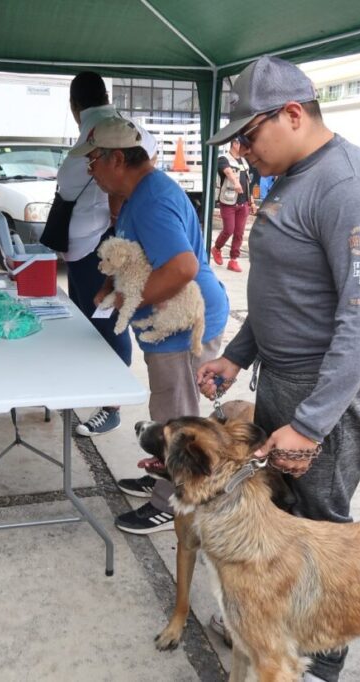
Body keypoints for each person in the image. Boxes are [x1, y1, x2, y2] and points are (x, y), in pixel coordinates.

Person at [197, 56, 360, 682]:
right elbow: (284, 290)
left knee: (322, 532)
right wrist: (237, 354)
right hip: (283, 376)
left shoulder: (350, 186)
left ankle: (319, 663)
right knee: (278, 518)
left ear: (292, 113)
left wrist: (310, 426)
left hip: (328, 389)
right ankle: (271, 633)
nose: (242, 150)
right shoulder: (288, 176)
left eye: (247, 135)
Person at [71, 116, 229, 534]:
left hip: (181, 325)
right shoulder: (138, 194)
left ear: (117, 158)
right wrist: (110, 284)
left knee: (178, 420)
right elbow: (135, 255)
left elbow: (181, 266)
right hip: (168, 322)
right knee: (167, 411)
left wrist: (127, 299)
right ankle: (164, 476)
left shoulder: (152, 199)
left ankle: (173, 503)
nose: (90, 171)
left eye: (93, 162)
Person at [59, 71, 156, 438]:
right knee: (91, 320)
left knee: (107, 320)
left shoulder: (99, 134)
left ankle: (112, 405)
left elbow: (70, 186)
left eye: (94, 163)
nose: (91, 168)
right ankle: (98, 385)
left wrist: (116, 212)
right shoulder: (133, 130)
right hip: (88, 245)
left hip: (98, 245)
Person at [211, 139, 254, 273]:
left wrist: (251, 201)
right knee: (228, 230)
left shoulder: (244, 161)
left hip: (243, 203)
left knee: (239, 233)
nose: (246, 150)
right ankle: (217, 248)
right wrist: (235, 182)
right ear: (235, 144)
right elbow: (228, 172)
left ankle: (233, 260)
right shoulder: (223, 159)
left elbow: (248, 183)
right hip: (228, 202)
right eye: (244, 146)